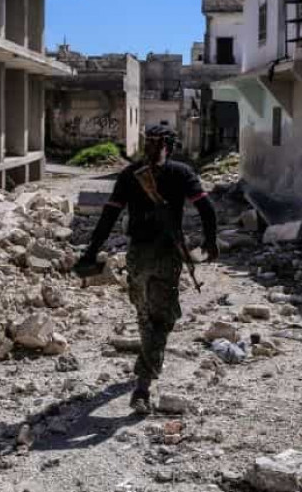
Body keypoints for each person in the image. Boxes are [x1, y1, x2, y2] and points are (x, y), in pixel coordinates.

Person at [74, 131, 219, 414]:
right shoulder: (181, 172)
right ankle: (142, 386)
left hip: (138, 256)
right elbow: (206, 207)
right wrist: (210, 241)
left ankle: (145, 368)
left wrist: (91, 252)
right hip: (166, 254)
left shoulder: (130, 174)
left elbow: (109, 215)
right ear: (171, 148)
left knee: (145, 315)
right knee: (161, 319)